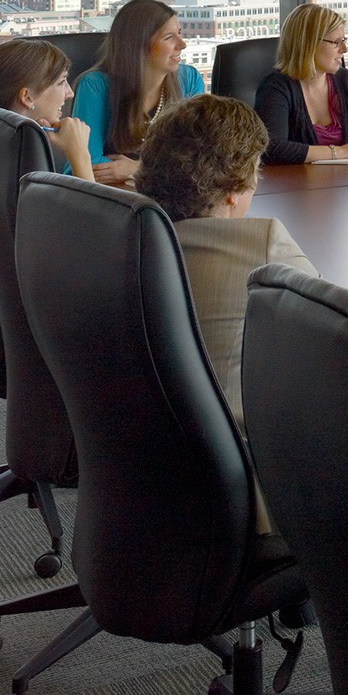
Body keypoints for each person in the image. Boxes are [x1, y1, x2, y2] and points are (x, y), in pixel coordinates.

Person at [136, 95, 317, 537]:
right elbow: (336, 336)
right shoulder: (262, 243)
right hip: (245, 491)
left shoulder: (129, 237)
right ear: (235, 188)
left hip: (139, 472)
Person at [71, 0, 206, 185]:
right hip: (115, 199)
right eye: (169, 37)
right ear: (138, 46)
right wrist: (167, 169)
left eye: (180, 33)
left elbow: (202, 159)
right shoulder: (95, 85)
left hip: (173, 196)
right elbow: (85, 165)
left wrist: (137, 168)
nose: (182, 44)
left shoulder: (190, 80)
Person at [254, 2, 348, 165]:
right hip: (293, 187)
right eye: (336, 42)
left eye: (344, 40)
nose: (344, 49)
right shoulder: (275, 88)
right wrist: (343, 151)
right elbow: (272, 148)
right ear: (309, 44)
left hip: (342, 184)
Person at [0, 38, 92, 179]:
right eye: (61, 82)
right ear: (27, 97)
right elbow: (92, 202)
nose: (70, 93)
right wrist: (79, 155)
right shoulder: (27, 163)